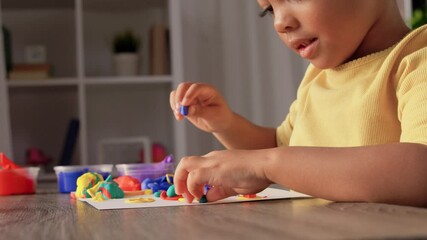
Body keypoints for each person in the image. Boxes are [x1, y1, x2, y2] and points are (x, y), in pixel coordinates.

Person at [169, 0, 427, 207]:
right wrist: (225, 124)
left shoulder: (417, 61)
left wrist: (265, 164)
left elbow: (421, 168)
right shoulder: (317, 78)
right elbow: (282, 148)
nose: (280, 22)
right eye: (269, 10)